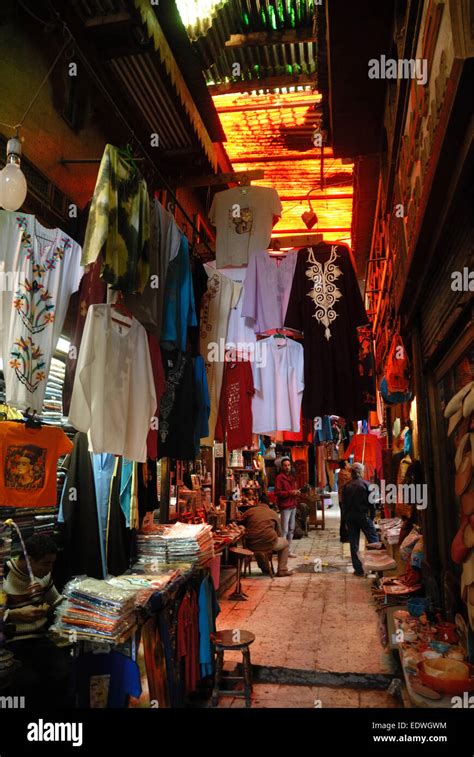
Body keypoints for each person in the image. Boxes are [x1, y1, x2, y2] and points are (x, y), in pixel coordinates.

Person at [4, 534, 73, 707]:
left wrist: (78, 608)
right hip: (10, 643)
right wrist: (13, 615)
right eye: (46, 563)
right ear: (28, 559)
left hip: (38, 639)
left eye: (52, 563)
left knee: (63, 672)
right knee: (27, 682)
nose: (49, 569)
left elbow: (57, 601)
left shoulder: (43, 577)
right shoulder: (4, 576)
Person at [342, 463, 380, 576]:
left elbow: (343, 505)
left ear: (352, 472)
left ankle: (358, 569)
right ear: (361, 472)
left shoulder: (346, 486)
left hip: (350, 516)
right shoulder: (367, 485)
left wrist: (345, 520)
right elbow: (372, 504)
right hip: (363, 516)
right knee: (374, 540)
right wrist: (372, 517)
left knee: (354, 543)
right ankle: (376, 566)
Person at [240, 496, 292, 577]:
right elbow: (279, 533)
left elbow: (240, 522)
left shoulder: (250, 511)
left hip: (251, 544)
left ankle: (265, 569)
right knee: (285, 543)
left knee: (259, 549)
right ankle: (282, 569)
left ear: (259, 502)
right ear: (268, 504)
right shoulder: (273, 513)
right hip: (269, 543)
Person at [274, 457, 300, 557]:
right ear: (282, 467)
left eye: (288, 465)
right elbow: (277, 492)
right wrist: (290, 492)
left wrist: (296, 492)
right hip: (285, 506)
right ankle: (282, 552)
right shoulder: (279, 478)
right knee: (284, 530)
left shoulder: (292, 477)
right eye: (285, 466)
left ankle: (288, 550)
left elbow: (294, 488)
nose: (287, 467)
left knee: (291, 529)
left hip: (293, 504)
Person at [337, 460, 352, 543]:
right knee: (345, 518)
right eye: (348, 463)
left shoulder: (344, 472)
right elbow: (353, 477)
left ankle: (344, 536)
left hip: (343, 498)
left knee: (344, 517)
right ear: (345, 466)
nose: (349, 464)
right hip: (343, 499)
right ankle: (344, 537)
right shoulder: (344, 474)